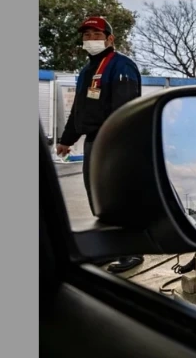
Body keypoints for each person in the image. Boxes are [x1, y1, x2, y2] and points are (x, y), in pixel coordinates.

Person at [55, 16, 145, 274]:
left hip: (115, 142)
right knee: (98, 198)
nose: (90, 39)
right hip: (94, 142)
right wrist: (67, 139)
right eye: (87, 35)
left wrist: (116, 145)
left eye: (96, 34)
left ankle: (131, 251)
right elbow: (80, 109)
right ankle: (110, 247)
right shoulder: (87, 71)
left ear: (110, 38)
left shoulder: (121, 66)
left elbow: (124, 110)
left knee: (117, 199)